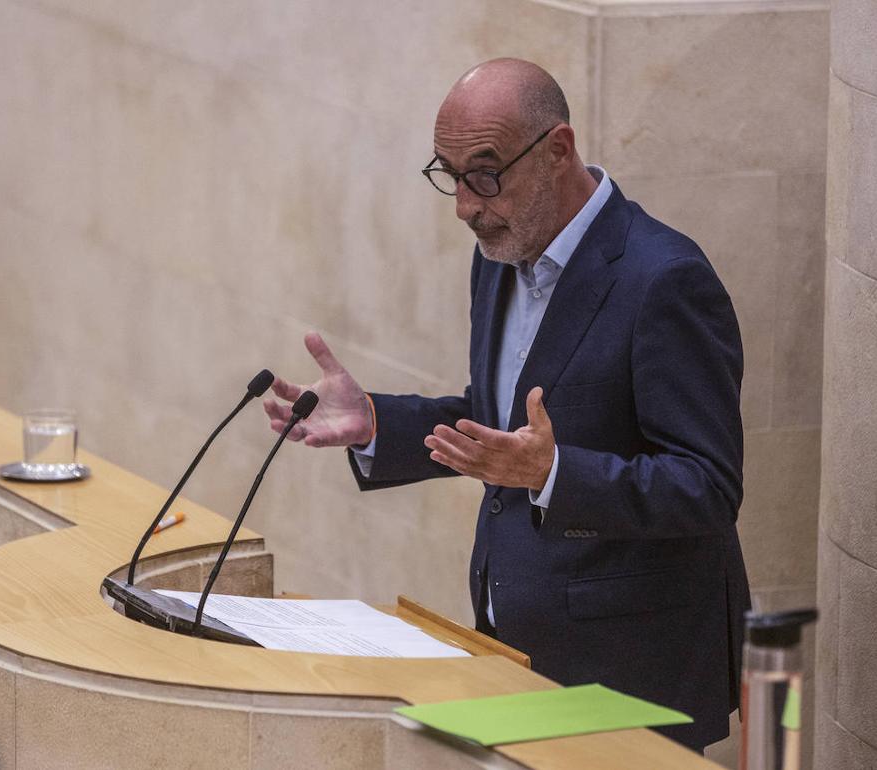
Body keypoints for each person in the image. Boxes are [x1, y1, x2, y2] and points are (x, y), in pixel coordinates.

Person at [263, 58, 750, 751]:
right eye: (450, 176)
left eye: (486, 175)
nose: (466, 205)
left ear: (557, 150)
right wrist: (377, 420)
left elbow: (707, 486)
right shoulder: (499, 252)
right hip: (514, 647)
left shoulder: (664, 279)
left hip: (629, 672)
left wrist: (553, 474)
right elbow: (503, 425)